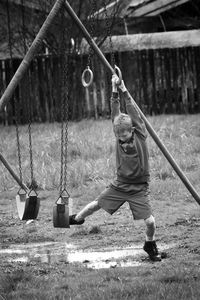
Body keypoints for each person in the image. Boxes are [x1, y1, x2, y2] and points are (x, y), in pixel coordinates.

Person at [69, 74, 161, 261]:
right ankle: (76, 219)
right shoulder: (118, 135)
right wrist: (113, 89)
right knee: (95, 205)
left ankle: (149, 244)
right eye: (118, 136)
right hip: (119, 185)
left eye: (124, 135)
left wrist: (124, 89)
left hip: (138, 189)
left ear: (132, 131)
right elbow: (115, 114)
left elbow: (133, 112)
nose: (121, 138)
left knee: (150, 222)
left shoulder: (140, 136)